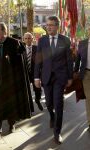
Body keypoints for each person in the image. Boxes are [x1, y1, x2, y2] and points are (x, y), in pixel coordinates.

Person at [0, 22, 32, 140]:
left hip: (12, 81)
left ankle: (12, 124)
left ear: (4, 32)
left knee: (12, 104)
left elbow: (20, 65)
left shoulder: (15, 44)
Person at [34, 16, 73, 144]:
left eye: (51, 25)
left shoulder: (65, 40)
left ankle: (57, 133)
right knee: (49, 103)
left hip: (60, 78)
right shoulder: (42, 41)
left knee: (59, 104)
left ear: (57, 26)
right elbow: (38, 61)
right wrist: (36, 77)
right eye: (47, 25)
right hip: (46, 77)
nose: (48, 27)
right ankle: (52, 115)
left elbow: (69, 60)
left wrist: (70, 77)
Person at [23, 32, 43, 111]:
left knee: (38, 89)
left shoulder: (37, 48)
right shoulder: (21, 49)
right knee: (25, 91)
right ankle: (27, 106)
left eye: (29, 38)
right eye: (26, 38)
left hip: (35, 73)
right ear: (24, 40)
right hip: (25, 74)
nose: (28, 40)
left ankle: (37, 100)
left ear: (32, 39)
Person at [74, 37, 90, 132]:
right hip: (86, 74)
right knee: (89, 98)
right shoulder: (82, 43)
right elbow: (78, 58)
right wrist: (75, 71)